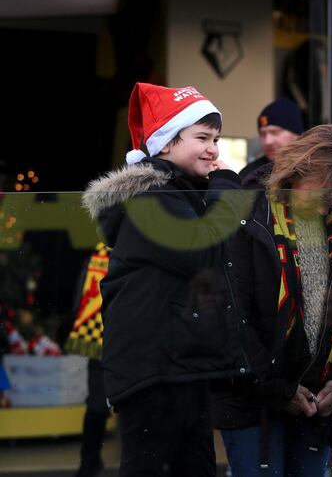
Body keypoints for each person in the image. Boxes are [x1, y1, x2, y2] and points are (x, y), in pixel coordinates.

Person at [82, 83, 251, 477]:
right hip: (154, 372)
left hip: (179, 367)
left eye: (216, 139)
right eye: (202, 138)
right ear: (165, 144)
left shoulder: (182, 192)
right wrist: (227, 187)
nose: (213, 149)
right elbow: (200, 252)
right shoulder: (151, 197)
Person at [214, 124, 332, 476]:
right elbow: (230, 315)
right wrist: (280, 389)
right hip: (252, 398)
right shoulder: (249, 209)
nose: (325, 209)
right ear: (293, 174)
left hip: (317, 400)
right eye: (319, 197)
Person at [64, 242, 111, 477]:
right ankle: (90, 462)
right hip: (105, 343)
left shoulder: (98, 256)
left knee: (98, 407)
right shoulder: (98, 256)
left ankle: (90, 463)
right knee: (97, 407)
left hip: (113, 340)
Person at [239, 97, 304, 187]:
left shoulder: (315, 169)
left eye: (275, 132)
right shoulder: (250, 174)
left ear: (297, 134)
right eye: (262, 134)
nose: (267, 141)